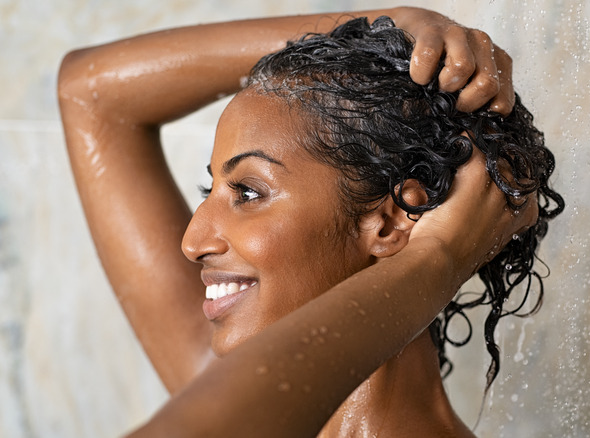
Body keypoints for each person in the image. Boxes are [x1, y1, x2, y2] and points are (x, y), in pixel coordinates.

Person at [57, 7, 562, 437]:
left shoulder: (226, 409)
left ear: (389, 223)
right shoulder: (230, 391)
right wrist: (372, 27)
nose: (192, 242)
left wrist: (438, 258)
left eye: (248, 192)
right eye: (209, 189)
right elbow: (90, 93)